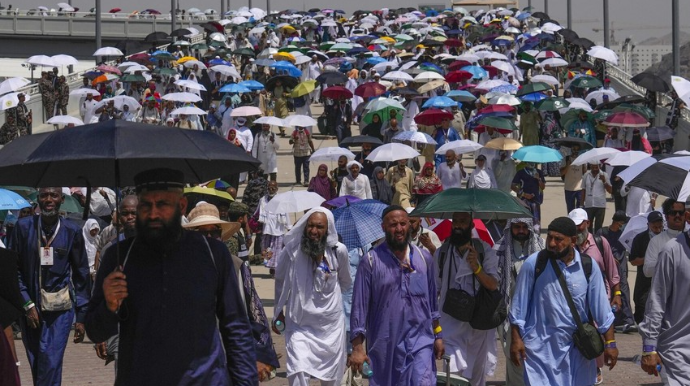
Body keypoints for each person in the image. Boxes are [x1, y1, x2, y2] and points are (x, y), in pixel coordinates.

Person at [85, 168, 258, 385]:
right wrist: (109, 305)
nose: (153, 213)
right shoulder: (119, 257)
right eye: (146, 205)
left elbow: (236, 327)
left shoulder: (212, 254)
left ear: (182, 206)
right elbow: (94, 330)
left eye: (163, 205)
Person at [509, 217, 618, 386]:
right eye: (550, 237)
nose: (552, 243)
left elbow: (602, 310)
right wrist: (516, 340)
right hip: (540, 354)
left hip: (577, 353)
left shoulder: (588, 267)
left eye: (558, 239)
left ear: (573, 241)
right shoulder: (534, 264)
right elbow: (518, 309)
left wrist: (610, 343)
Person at [183, 203, 279, 381]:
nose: (210, 237)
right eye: (203, 233)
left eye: (214, 232)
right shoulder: (179, 270)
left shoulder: (236, 265)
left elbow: (254, 312)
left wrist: (261, 354)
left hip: (230, 356)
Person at [350, 205, 444, 385]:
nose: (399, 229)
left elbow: (432, 304)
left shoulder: (424, 259)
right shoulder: (370, 262)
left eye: (403, 223)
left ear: (410, 225)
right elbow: (359, 308)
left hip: (421, 342)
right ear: (383, 227)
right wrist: (357, 347)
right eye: (393, 225)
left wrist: (438, 336)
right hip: (385, 346)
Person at [8, 187, 91, 386]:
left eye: (53, 195)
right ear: (38, 199)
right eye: (44, 195)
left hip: (60, 309)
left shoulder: (72, 231)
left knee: (51, 361)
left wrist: (82, 316)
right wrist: (27, 303)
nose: (48, 199)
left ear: (62, 199)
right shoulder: (23, 228)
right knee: (37, 361)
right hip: (31, 307)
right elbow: (12, 269)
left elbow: (81, 274)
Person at [273, 208, 351, 386]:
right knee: (297, 369)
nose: (314, 231)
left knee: (331, 378)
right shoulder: (292, 251)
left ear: (328, 229)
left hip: (330, 327)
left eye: (319, 227)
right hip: (300, 325)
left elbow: (346, 282)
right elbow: (280, 279)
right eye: (311, 226)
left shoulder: (339, 251)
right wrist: (278, 310)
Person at [433, 212, 499, 386]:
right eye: (455, 221)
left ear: (471, 225)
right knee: (452, 376)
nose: (457, 226)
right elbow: (434, 289)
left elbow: (493, 285)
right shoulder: (442, 253)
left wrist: (477, 268)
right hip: (450, 323)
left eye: (462, 222)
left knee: (476, 378)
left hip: (477, 325)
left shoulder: (485, 251)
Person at [638, 199, 690, 385]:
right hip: (677, 352)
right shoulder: (671, 251)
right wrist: (649, 347)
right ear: (688, 216)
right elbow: (656, 301)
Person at [494, 218, 544, 386]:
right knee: (513, 356)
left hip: (536, 313)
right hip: (508, 313)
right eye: (517, 227)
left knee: (533, 357)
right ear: (511, 228)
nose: (521, 230)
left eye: (524, 227)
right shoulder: (499, 249)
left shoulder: (541, 248)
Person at [597, 211, 637, 332]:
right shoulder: (602, 233)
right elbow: (597, 249)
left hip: (621, 266)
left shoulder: (623, 234)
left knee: (623, 290)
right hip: (607, 266)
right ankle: (612, 319)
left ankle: (628, 320)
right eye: (622, 223)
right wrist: (609, 257)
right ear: (617, 222)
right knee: (609, 291)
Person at [629, 211, 663, 325]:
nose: (657, 229)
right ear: (648, 225)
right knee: (641, 304)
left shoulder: (667, 238)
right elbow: (633, 261)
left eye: (660, 226)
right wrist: (649, 259)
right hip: (644, 280)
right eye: (654, 226)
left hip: (662, 280)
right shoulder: (640, 238)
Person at [643, 199, 686, 279]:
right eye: (673, 213)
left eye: (681, 213)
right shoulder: (656, 241)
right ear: (666, 216)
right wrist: (667, 262)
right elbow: (647, 271)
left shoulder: (688, 238)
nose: (677, 215)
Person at [257, 181, 291, 271]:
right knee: (268, 250)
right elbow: (258, 213)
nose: (271, 190)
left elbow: (286, 214)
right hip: (267, 229)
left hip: (278, 229)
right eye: (269, 188)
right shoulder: (263, 200)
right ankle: (270, 267)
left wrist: (289, 226)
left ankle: (275, 268)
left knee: (277, 250)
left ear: (277, 189)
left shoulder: (281, 200)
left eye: (273, 188)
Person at [581, 162, 612, 233]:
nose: (595, 169)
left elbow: (610, 191)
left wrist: (604, 181)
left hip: (600, 205)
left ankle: (597, 241)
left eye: (596, 167)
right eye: (593, 167)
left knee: (598, 227)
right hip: (589, 204)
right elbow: (583, 190)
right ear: (590, 166)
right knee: (588, 226)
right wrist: (581, 204)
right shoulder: (586, 175)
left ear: (599, 166)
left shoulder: (604, 175)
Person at [560, 145, 586, 213]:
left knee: (580, 209)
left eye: (577, 149)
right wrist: (568, 165)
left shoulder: (582, 160)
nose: (575, 151)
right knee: (570, 210)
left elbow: (584, 173)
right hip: (569, 188)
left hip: (579, 188)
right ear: (571, 149)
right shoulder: (566, 159)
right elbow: (562, 173)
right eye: (574, 149)